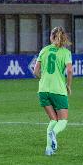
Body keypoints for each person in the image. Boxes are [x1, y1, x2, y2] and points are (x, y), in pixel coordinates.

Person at [33, 26, 73, 156]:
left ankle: (49, 149)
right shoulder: (65, 52)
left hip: (43, 90)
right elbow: (70, 70)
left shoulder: (44, 50)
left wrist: (43, 79)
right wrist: (68, 85)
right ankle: (54, 133)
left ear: (51, 36)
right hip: (58, 90)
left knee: (53, 120)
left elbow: (35, 71)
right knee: (62, 121)